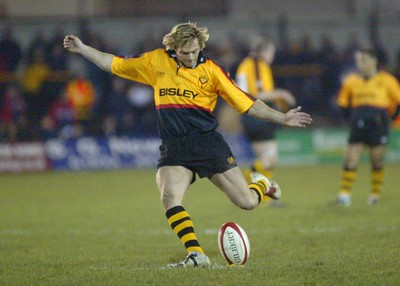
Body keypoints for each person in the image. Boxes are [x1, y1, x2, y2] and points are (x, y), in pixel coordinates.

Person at [63, 22, 312, 267]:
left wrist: (282, 117)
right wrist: (84, 49)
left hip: (207, 144)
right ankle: (196, 255)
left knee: (246, 202)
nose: (190, 56)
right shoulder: (156, 61)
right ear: (174, 48)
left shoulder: (213, 71)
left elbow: (248, 102)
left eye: (194, 51)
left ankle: (262, 184)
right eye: (184, 52)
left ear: (200, 46)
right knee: (169, 197)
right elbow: (113, 63)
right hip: (175, 147)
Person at [336, 48, 400, 207]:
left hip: (378, 125)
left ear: (373, 61)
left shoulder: (387, 80)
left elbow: (398, 102)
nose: (360, 64)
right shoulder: (351, 80)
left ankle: (375, 195)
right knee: (350, 158)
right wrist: (349, 120)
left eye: (363, 60)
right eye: (359, 61)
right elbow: (342, 103)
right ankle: (344, 196)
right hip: (358, 124)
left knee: (376, 160)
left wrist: (391, 120)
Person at [235, 37, 296, 200]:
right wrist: (281, 93)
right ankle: (245, 180)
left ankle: (265, 198)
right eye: (271, 53)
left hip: (249, 115)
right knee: (271, 158)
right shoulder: (256, 65)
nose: (272, 57)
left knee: (265, 159)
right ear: (265, 52)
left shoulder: (247, 64)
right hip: (257, 114)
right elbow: (256, 94)